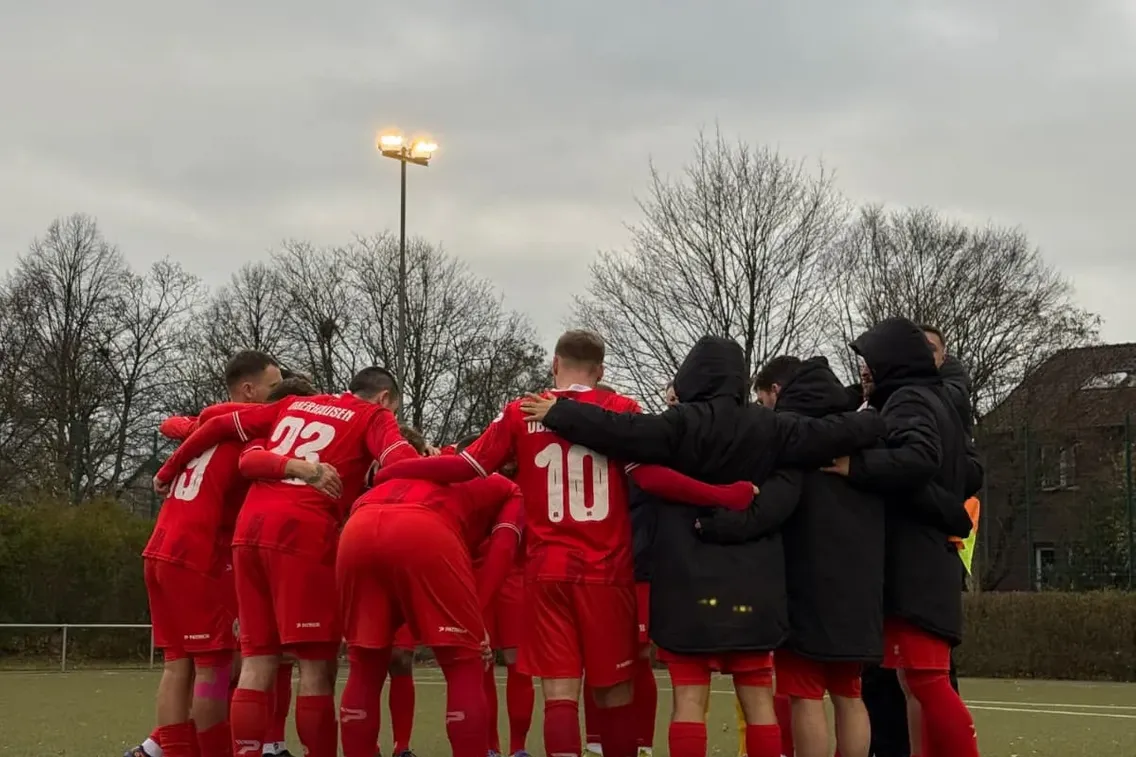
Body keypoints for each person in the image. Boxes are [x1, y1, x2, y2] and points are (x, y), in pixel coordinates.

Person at [369, 330, 759, 757]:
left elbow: (466, 465)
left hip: (547, 569)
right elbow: (651, 478)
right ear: (601, 370)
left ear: (554, 365)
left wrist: (394, 471)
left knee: (560, 694)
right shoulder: (620, 408)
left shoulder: (521, 411)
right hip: (606, 572)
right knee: (614, 692)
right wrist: (723, 495)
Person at [520, 335, 888, 757]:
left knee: (689, 704)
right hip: (755, 586)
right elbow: (834, 431)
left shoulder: (679, 424)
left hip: (686, 584)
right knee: (759, 705)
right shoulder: (772, 426)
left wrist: (561, 411)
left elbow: (620, 430)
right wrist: (880, 416)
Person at [153, 366, 421, 757]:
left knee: (255, 662)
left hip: (246, 536)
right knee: (313, 668)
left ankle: (241, 749)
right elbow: (399, 459)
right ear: (384, 400)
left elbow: (216, 427)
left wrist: (167, 469)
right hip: (298, 537)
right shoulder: (373, 417)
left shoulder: (295, 404)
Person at [825, 317, 982, 757]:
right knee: (916, 682)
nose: (865, 371)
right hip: (925, 560)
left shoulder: (910, 400)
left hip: (916, 563)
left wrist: (856, 467)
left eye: (871, 362)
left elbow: (919, 459)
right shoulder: (933, 401)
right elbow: (962, 470)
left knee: (927, 681)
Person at [126, 352, 295, 757]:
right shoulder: (250, 434)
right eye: (275, 389)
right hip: (196, 558)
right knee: (215, 670)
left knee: (177, 666)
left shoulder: (209, 427)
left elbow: (175, 423)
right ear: (248, 390)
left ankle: (165, 748)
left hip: (160, 550)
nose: (279, 402)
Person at [336, 431, 525, 757]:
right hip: (425, 529)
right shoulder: (508, 488)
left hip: (359, 523)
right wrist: (478, 616)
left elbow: (382, 476)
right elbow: (503, 550)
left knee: (365, 663)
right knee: (463, 663)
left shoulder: (411, 468)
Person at [750, 355, 885, 757]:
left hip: (803, 580)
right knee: (850, 693)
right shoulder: (863, 435)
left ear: (778, 391)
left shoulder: (790, 443)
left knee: (804, 695)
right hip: (861, 584)